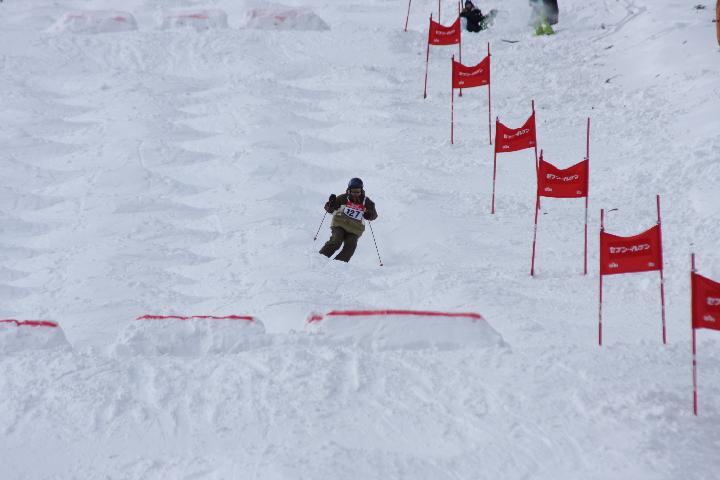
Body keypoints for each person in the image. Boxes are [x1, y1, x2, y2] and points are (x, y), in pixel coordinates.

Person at [319, 178, 378, 262]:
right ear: (349, 190)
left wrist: (369, 214)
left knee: (351, 245)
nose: (355, 194)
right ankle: (321, 258)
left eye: (358, 192)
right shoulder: (343, 198)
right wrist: (330, 204)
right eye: (353, 191)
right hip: (339, 224)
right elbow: (330, 210)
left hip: (355, 229)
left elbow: (374, 215)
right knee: (336, 240)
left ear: (361, 190)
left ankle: (338, 263)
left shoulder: (366, 202)